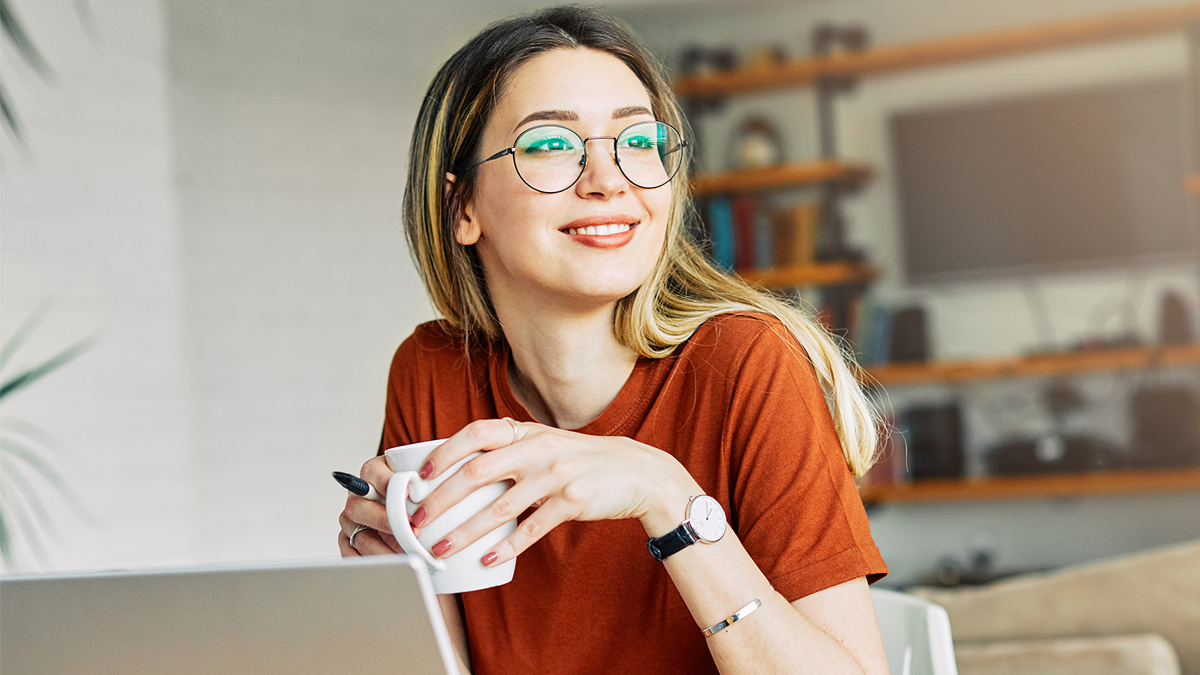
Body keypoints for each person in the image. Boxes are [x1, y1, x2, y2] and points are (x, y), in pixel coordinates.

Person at [337, 6, 889, 674]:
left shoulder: (749, 363)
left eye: (637, 142)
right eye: (550, 146)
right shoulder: (432, 370)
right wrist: (398, 592)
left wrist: (662, 492)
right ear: (463, 208)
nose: (609, 180)